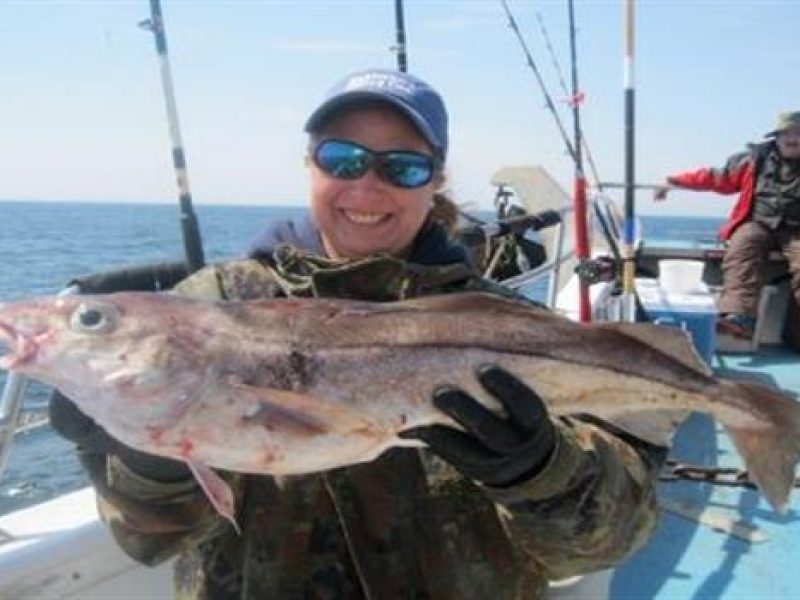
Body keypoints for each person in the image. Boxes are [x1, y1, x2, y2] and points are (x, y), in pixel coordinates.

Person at [50, 68, 665, 599]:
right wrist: (148, 466)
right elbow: (150, 540)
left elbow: (607, 543)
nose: (367, 185)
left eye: (403, 166)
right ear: (309, 164)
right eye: (342, 159)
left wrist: (544, 471)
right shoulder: (206, 308)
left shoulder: (508, 329)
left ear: (436, 181)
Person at [654, 110, 800, 341]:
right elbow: (716, 177)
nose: (793, 138)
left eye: (798, 133)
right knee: (742, 248)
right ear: (777, 137)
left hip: (796, 229)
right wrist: (675, 182)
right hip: (757, 222)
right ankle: (738, 318)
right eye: (787, 133)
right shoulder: (753, 160)